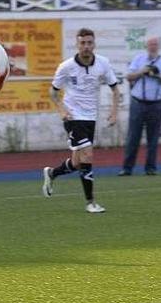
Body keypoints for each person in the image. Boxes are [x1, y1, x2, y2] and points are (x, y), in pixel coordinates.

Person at [42, 27, 120, 214]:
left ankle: (52, 173)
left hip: (90, 117)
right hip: (73, 116)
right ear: (77, 45)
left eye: (89, 43)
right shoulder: (66, 66)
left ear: (94, 44)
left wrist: (114, 112)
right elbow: (53, 92)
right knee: (88, 155)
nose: (86, 46)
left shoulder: (103, 63)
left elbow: (115, 89)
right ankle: (91, 202)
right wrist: (62, 110)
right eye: (82, 43)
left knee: (78, 163)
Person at [119, 36, 161, 176]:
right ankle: (127, 168)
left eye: (155, 44)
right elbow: (129, 77)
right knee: (133, 137)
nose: (152, 46)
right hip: (138, 102)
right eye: (150, 44)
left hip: (157, 104)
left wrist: (157, 75)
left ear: (159, 46)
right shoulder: (139, 59)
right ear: (146, 46)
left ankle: (150, 168)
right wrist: (142, 72)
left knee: (153, 137)